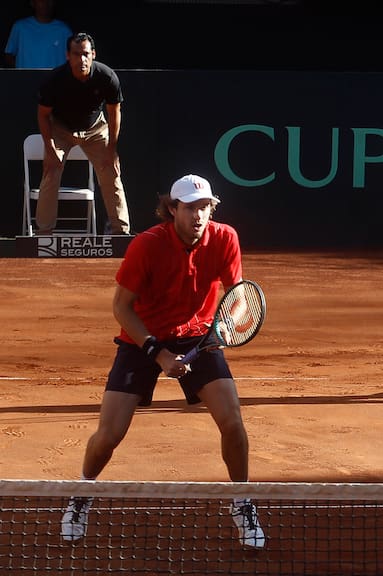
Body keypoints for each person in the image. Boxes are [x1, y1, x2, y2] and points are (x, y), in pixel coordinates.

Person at [60, 174, 265, 549]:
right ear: (172, 209)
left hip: (200, 338)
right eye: (189, 208)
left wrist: (225, 325)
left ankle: (242, 501)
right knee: (109, 436)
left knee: (233, 422)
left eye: (205, 207)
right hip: (143, 339)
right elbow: (121, 307)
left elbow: (238, 296)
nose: (198, 216)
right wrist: (157, 351)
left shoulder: (225, 238)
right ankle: (80, 494)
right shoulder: (147, 246)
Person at [35, 31, 131, 236]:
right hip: (60, 128)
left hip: (96, 129)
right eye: (76, 54)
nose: (82, 59)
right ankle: (43, 234)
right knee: (50, 171)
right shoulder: (54, 80)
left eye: (86, 54)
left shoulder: (107, 76)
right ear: (68, 56)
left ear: (93, 54)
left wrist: (112, 149)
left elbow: (115, 112)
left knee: (111, 171)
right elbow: (43, 116)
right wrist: (50, 149)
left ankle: (120, 232)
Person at [4, 0, 72, 69]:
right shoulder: (20, 27)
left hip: (56, 79)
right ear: (33, 3)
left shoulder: (64, 30)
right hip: (26, 79)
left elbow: (74, 57)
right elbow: (9, 54)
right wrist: (21, 72)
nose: (45, 3)